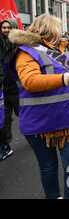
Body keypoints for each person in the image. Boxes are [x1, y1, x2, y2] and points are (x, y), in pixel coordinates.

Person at [8, 14, 69, 199]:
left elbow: (68, 73)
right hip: (41, 124)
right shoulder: (25, 52)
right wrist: (68, 78)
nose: (61, 32)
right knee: (48, 167)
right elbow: (30, 81)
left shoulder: (57, 51)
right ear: (49, 29)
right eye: (59, 28)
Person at [0, 18, 20, 161]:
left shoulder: (18, 45)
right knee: (5, 119)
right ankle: (6, 145)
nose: (6, 30)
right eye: (3, 27)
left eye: (8, 27)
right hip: (3, 87)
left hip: (17, 87)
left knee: (22, 113)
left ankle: (36, 135)